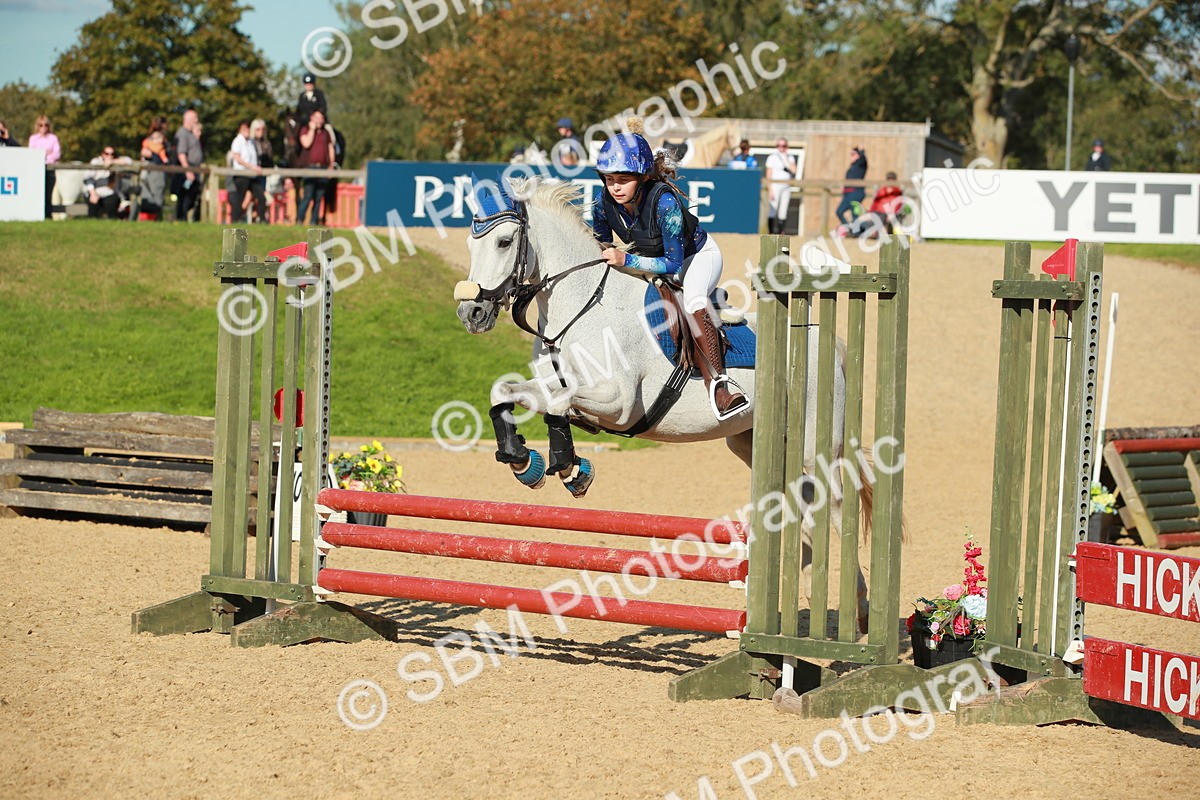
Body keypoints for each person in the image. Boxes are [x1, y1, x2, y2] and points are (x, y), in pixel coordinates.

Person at [591, 117, 748, 421]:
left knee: (692, 300)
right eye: (609, 179)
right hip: (651, 257)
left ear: (643, 176)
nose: (615, 187)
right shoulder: (602, 204)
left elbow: (674, 265)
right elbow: (599, 243)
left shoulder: (664, 202)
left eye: (623, 179)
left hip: (695, 258)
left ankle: (719, 385)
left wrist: (626, 261)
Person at [296, 110, 336, 225]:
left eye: (321, 118)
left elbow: (330, 148)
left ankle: (314, 222)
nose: (320, 121)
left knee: (319, 198)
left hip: (323, 168)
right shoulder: (305, 130)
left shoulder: (325, 133)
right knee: (308, 196)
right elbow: (306, 144)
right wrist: (312, 130)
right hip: (310, 168)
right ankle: (300, 220)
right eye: (317, 118)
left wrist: (331, 165)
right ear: (312, 118)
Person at [842, 171, 906, 238]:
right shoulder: (881, 190)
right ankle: (857, 233)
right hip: (877, 212)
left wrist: (892, 214)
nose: (890, 181)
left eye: (892, 179)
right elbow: (875, 203)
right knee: (864, 219)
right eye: (889, 179)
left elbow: (898, 206)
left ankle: (872, 234)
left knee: (878, 220)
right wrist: (870, 212)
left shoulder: (897, 192)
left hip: (888, 213)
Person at [228, 120, 265, 223]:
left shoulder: (250, 142)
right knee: (239, 199)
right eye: (244, 128)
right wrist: (252, 167)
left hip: (251, 175)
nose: (247, 130)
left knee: (261, 197)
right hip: (242, 174)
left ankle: (262, 220)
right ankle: (235, 221)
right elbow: (238, 159)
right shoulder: (238, 141)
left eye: (248, 128)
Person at [27, 115, 61, 218]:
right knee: (37, 192)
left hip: (49, 169)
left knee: (48, 194)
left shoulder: (53, 138)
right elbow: (31, 153)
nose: (43, 127)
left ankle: (47, 215)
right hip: (36, 169)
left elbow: (57, 154)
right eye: (41, 125)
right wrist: (45, 153)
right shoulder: (33, 138)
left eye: (46, 125)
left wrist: (44, 156)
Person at [83, 146, 131, 218]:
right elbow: (88, 179)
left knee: (112, 204)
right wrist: (93, 194)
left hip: (110, 192)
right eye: (107, 154)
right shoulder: (96, 162)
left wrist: (112, 162)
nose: (109, 156)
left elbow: (129, 161)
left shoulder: (116, 162)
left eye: (112, 154)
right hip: (95, 191)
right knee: (93, 209)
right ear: (102, 154)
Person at [173, 109, 204, 222]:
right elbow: (181, 153)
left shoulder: (191, 134)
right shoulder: (183, 133)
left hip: (194, 168)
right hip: (187, 169)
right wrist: (187, 170)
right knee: (185, 196)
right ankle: (181, 219)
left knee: (192, 196)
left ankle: (185, 218)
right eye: (195, 118)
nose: (196, 120)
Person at [139, 117, 169, 220]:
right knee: (155, 196)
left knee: (155, 195)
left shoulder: (150, 140)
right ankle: (155, 218)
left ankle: (155, 218)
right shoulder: (158, 139)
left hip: (153, 169)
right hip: (155, 170)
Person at [764, 138, 796, 234]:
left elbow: (794, 170)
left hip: (786, 186)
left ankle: (781, 232)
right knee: (773, 208)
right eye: (779, 145)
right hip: (775, 185)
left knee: (783, 210)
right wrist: (770, 189)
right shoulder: (772, 157)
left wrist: (786, 159)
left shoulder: (790, 157)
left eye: (784, 146)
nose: (781, 148)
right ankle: (770, 232)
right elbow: (768, 175)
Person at [836, 146, 868, 225]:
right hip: (848, 194)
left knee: (855, 215)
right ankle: (849, 228)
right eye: (851, 154)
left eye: (853, 154)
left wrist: (861, 151)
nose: (851, 156)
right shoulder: (852, 166)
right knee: (839, 212)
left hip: (856, 193)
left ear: (858, 155)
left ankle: (857, 232)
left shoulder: (861, 165)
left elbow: (863, 159)